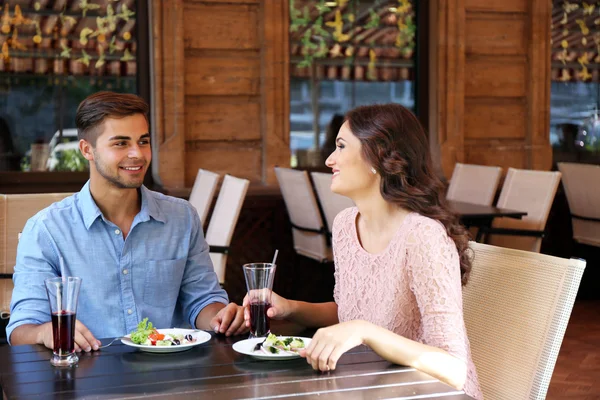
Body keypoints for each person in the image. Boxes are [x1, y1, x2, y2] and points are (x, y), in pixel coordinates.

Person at [244, 104, 483, 399]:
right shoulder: (346, 224)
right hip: (370, 386)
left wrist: (364, 330)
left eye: (341, 147)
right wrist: (290, 307)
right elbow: (350, 314)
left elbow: (453, 370)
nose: (330, 159)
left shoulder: (423, 237)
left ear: (378, 156)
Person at [8, 91, 247, 352]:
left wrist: (220, 318)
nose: (138, 154)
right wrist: (45, 332)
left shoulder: (182, 218)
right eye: (121, 143)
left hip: (171, 374)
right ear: (87, 150)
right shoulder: (46, 230)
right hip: (89, 378)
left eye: (143, 141)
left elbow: (202, 301)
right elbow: (21, 330)